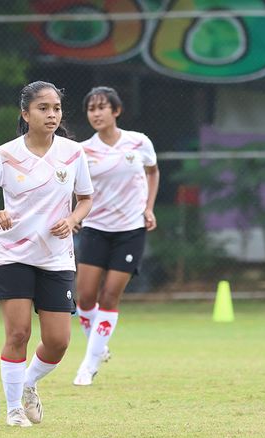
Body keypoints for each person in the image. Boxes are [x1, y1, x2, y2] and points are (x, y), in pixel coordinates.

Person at [0, 81, 93, 427]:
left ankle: (27, 384)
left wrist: (72, 220)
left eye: (56, 108)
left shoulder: (73, 153)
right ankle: (13, 410)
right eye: (43, 108)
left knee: (58, 342)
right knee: (19, 333)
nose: (51, 114)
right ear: (25, 114)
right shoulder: (6, 155)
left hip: (56, 258)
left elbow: (85, 199)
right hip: (12, 255)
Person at [73, 86, 160, 386]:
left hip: (130, 230)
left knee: (110, 295)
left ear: (116, 111)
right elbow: (75, 188)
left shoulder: (139, 142)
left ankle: (89, 363)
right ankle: (99, 345)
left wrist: (148, 208)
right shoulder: (83, 151)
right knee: (84, 297)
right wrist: (74, 216)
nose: (96, 113)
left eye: (101, 107)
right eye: (91, 109)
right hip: (96, 228)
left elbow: (152, 171)